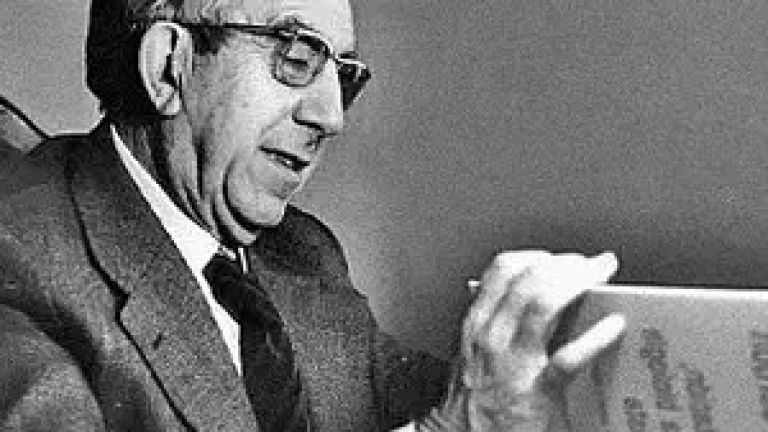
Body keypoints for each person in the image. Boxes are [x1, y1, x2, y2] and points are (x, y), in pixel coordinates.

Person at [0, 0, 626, 430]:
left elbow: (463, 399)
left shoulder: (303, 253)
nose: (332, 116)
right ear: (169, 66)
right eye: (296, 57)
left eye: (342, 76)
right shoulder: (18, 260)